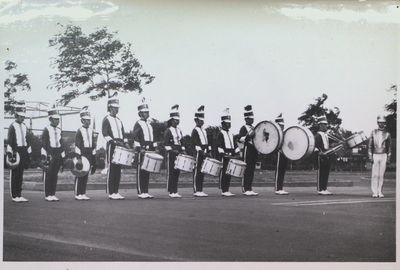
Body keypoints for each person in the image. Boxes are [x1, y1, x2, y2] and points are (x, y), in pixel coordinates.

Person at [102, 94, 129, 200]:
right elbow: (105, 133)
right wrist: (113, 142)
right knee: (112, 168)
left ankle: (116, 191)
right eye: (114, 107)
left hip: (120, 146)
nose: (116, 109)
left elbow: (123, 133)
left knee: (118, 169)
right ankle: (111, 192)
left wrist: (126, 143)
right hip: (112, 146)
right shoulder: (106, 119)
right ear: (110, 107)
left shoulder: (119, 120)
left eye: (117, 108)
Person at [6, 101, 31, 202]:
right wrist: (10, 153)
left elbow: (27, 140)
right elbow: (10, 141)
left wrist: (29, 152)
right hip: (16, 151)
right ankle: (14, 195)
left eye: (23, 117)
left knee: (21, 174)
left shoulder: (25, 126)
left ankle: (19, 194)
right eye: (20, 116)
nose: (22, 118)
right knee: (15, 173)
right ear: (16, 115)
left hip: (23, 150)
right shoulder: (12, 126)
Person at [132, 99, 157, 199]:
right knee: (141, 170)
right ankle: (141, 191)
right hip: (142, 149)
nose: (147, 114)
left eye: (148, 112)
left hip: (150, 149)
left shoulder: (149, 125)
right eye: (145, 112)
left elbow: (153, 137)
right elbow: (135, 137)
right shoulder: (138, 123)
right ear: (140, 113)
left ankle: (146, 191)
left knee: (147, 170)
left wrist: (155, 147)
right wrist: (139, 148)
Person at [41, 106, 66, 201]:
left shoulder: (59, 130)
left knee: (55, 174)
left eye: (58, 119)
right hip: (50, 152)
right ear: (50, 119)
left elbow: (61, 143)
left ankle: (53, 193)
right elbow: (44, 143)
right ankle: (48, 194)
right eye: (55, 119)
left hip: (57, 152)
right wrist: (45, 156)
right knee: (49, 174)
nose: (57, 121)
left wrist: (63, 157)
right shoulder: (46, 129)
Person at [74, 106, 97, 200]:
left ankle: (83, 193)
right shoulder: (79, 131)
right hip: (82, 154)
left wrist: (94, 158)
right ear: (82, 121)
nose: (88, 122)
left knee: (86, 174)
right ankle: (77, 193)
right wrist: (79, 158)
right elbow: (77, 146)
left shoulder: (92, 131)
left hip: (89, 154)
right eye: (86, 120)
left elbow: (94, 145)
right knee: (80, 173)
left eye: (89, 120)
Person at [216, 108, 241, 197]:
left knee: (229, 172)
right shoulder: (220, 133)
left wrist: (237, 153)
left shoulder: (231, 134)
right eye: (227, 123)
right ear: (223, 124)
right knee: (224, 172)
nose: (229, 125)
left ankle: (227, 189)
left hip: (231, 155)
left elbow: (235, 144)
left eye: (229, 123)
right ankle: (224, 189)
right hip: (225, 156)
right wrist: (223, 155)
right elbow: (219, 145)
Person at [164, 105, 186, 198]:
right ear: (171, 120)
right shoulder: (168, 130)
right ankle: (171, 191)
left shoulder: (179, 130)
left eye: (178, 120)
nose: (177, 121)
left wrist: (183, 150)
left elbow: (182, 142)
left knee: (177, 172)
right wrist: (173, 151)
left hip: (178, 153)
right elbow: (166, 144)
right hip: (171, 153)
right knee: (171, 172)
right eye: (175, 120)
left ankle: (175, 190)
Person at [368, 115, 392, 198]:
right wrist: (370, 156)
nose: (381, 124)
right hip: (375, 154)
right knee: (375, 174)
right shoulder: (373, 132)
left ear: (384, 123)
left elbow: (389, 147)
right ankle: (374, 192)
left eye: (383, 123)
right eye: (380, 123)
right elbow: (370, 146)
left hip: (384, 155)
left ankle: (380, 191)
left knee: (381, 175)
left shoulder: (387, 134)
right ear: (377, 123)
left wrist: (388, 157)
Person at [238, 105, 258, 196]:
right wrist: (248, 136)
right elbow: (241, 139)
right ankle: (245, 188)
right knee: (247, 169)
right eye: (250, 119)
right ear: (246, 119)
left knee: (252, 169)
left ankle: (249, 188)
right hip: (248, 149)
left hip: (254, 149)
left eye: (252, 119)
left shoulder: (254, 127)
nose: (252, 120)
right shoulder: (244, 128)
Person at [191, 105, 210, 197]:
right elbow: (195, 143)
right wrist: (201, 151)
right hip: (199, 153)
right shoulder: (195, 130)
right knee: (197, 171)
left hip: (204, 152)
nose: (201, 121)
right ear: (196, 120)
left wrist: (208, 150)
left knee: (202, 171)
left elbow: (206, 142)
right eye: (199, 120)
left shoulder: (204, 130)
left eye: (202, 120)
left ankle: (200, 189)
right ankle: (196, 190)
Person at [314, 115, 333, 195]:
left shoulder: (326, 135)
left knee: (326, 172)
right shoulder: (317, 135)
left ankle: (324, 188)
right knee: (321, 172)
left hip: (326, 155)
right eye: (324, 124)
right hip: (320, 156)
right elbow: (314, 146)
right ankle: (320, 189)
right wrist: (319, 152)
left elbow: (327, 145)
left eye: (326, 124)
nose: (326, 126)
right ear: (320, 125)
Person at [274, 113, 289, 195]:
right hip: (279, 153)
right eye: (280, 125)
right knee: (279, 171)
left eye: (283, 125)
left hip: (285, 154)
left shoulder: (284, 133)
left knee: (282, 171)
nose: (282, 127)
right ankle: (277, 188)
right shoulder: (276, 133)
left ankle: (281, 187)